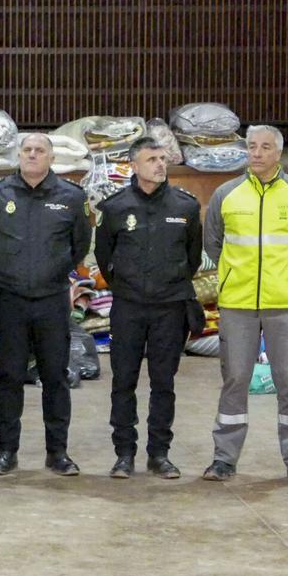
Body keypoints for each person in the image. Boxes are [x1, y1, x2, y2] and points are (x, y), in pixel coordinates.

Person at [202, 125, 288, 486]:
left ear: (278, 153)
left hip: (284, 305)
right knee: (235, 380)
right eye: (251, 146)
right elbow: (213, 244)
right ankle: (224, 460)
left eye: (265, 147)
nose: (256, 153)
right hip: (237, 304)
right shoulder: (227, 194)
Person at [0, 133, 90, 476]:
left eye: (40, 151)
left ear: (51, 158)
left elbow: (80, 245)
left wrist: (53, 273)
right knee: (9, 377)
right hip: (8, 301)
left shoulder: (71, 197)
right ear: (19, 155)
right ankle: (6, 451)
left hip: (51, 301)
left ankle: (58, 453)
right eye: (27, 150)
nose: (33, 155)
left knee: (55, 377)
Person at [94, 137, 202, 480]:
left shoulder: (185, 207)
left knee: (163, 383)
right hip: (128, 308)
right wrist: (125, 286)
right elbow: (103, 257)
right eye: (151, 159)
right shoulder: (114, 207)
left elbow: (193, 258)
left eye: (162, 158)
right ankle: (124, 453)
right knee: (123, 382)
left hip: (169, 308)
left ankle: (159, 454)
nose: (160, 164)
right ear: (134, 165)